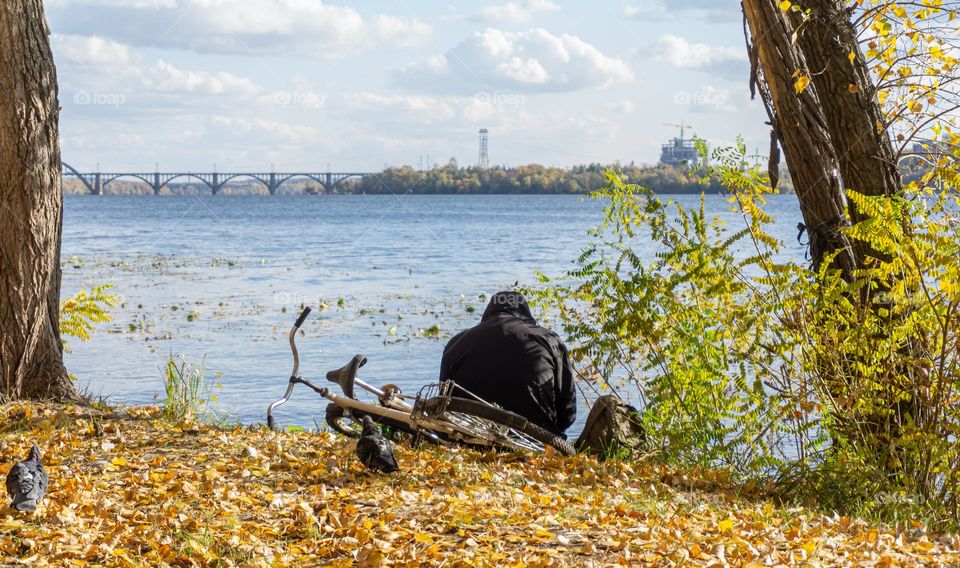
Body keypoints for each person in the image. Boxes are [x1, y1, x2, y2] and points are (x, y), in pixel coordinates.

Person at [439, 291, 576, 438]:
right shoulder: (550, 340)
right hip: (537, 441)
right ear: (526, 314)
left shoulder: (456, 343)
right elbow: (568, 413)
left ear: (488, 313)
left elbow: (444, 403)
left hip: (468, 439)